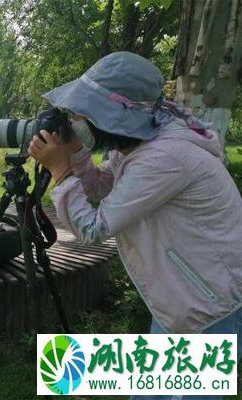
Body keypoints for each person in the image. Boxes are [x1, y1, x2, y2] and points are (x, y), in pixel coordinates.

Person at [27, 51, 242, 400]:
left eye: (83, 113)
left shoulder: (164, 157)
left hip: (210, 303)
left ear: (110, 115)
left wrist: (61, 171)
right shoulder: (140, 140)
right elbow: (100, 186)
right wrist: (77, 153)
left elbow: (94, 228)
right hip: (183, 300)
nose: (77, 118)